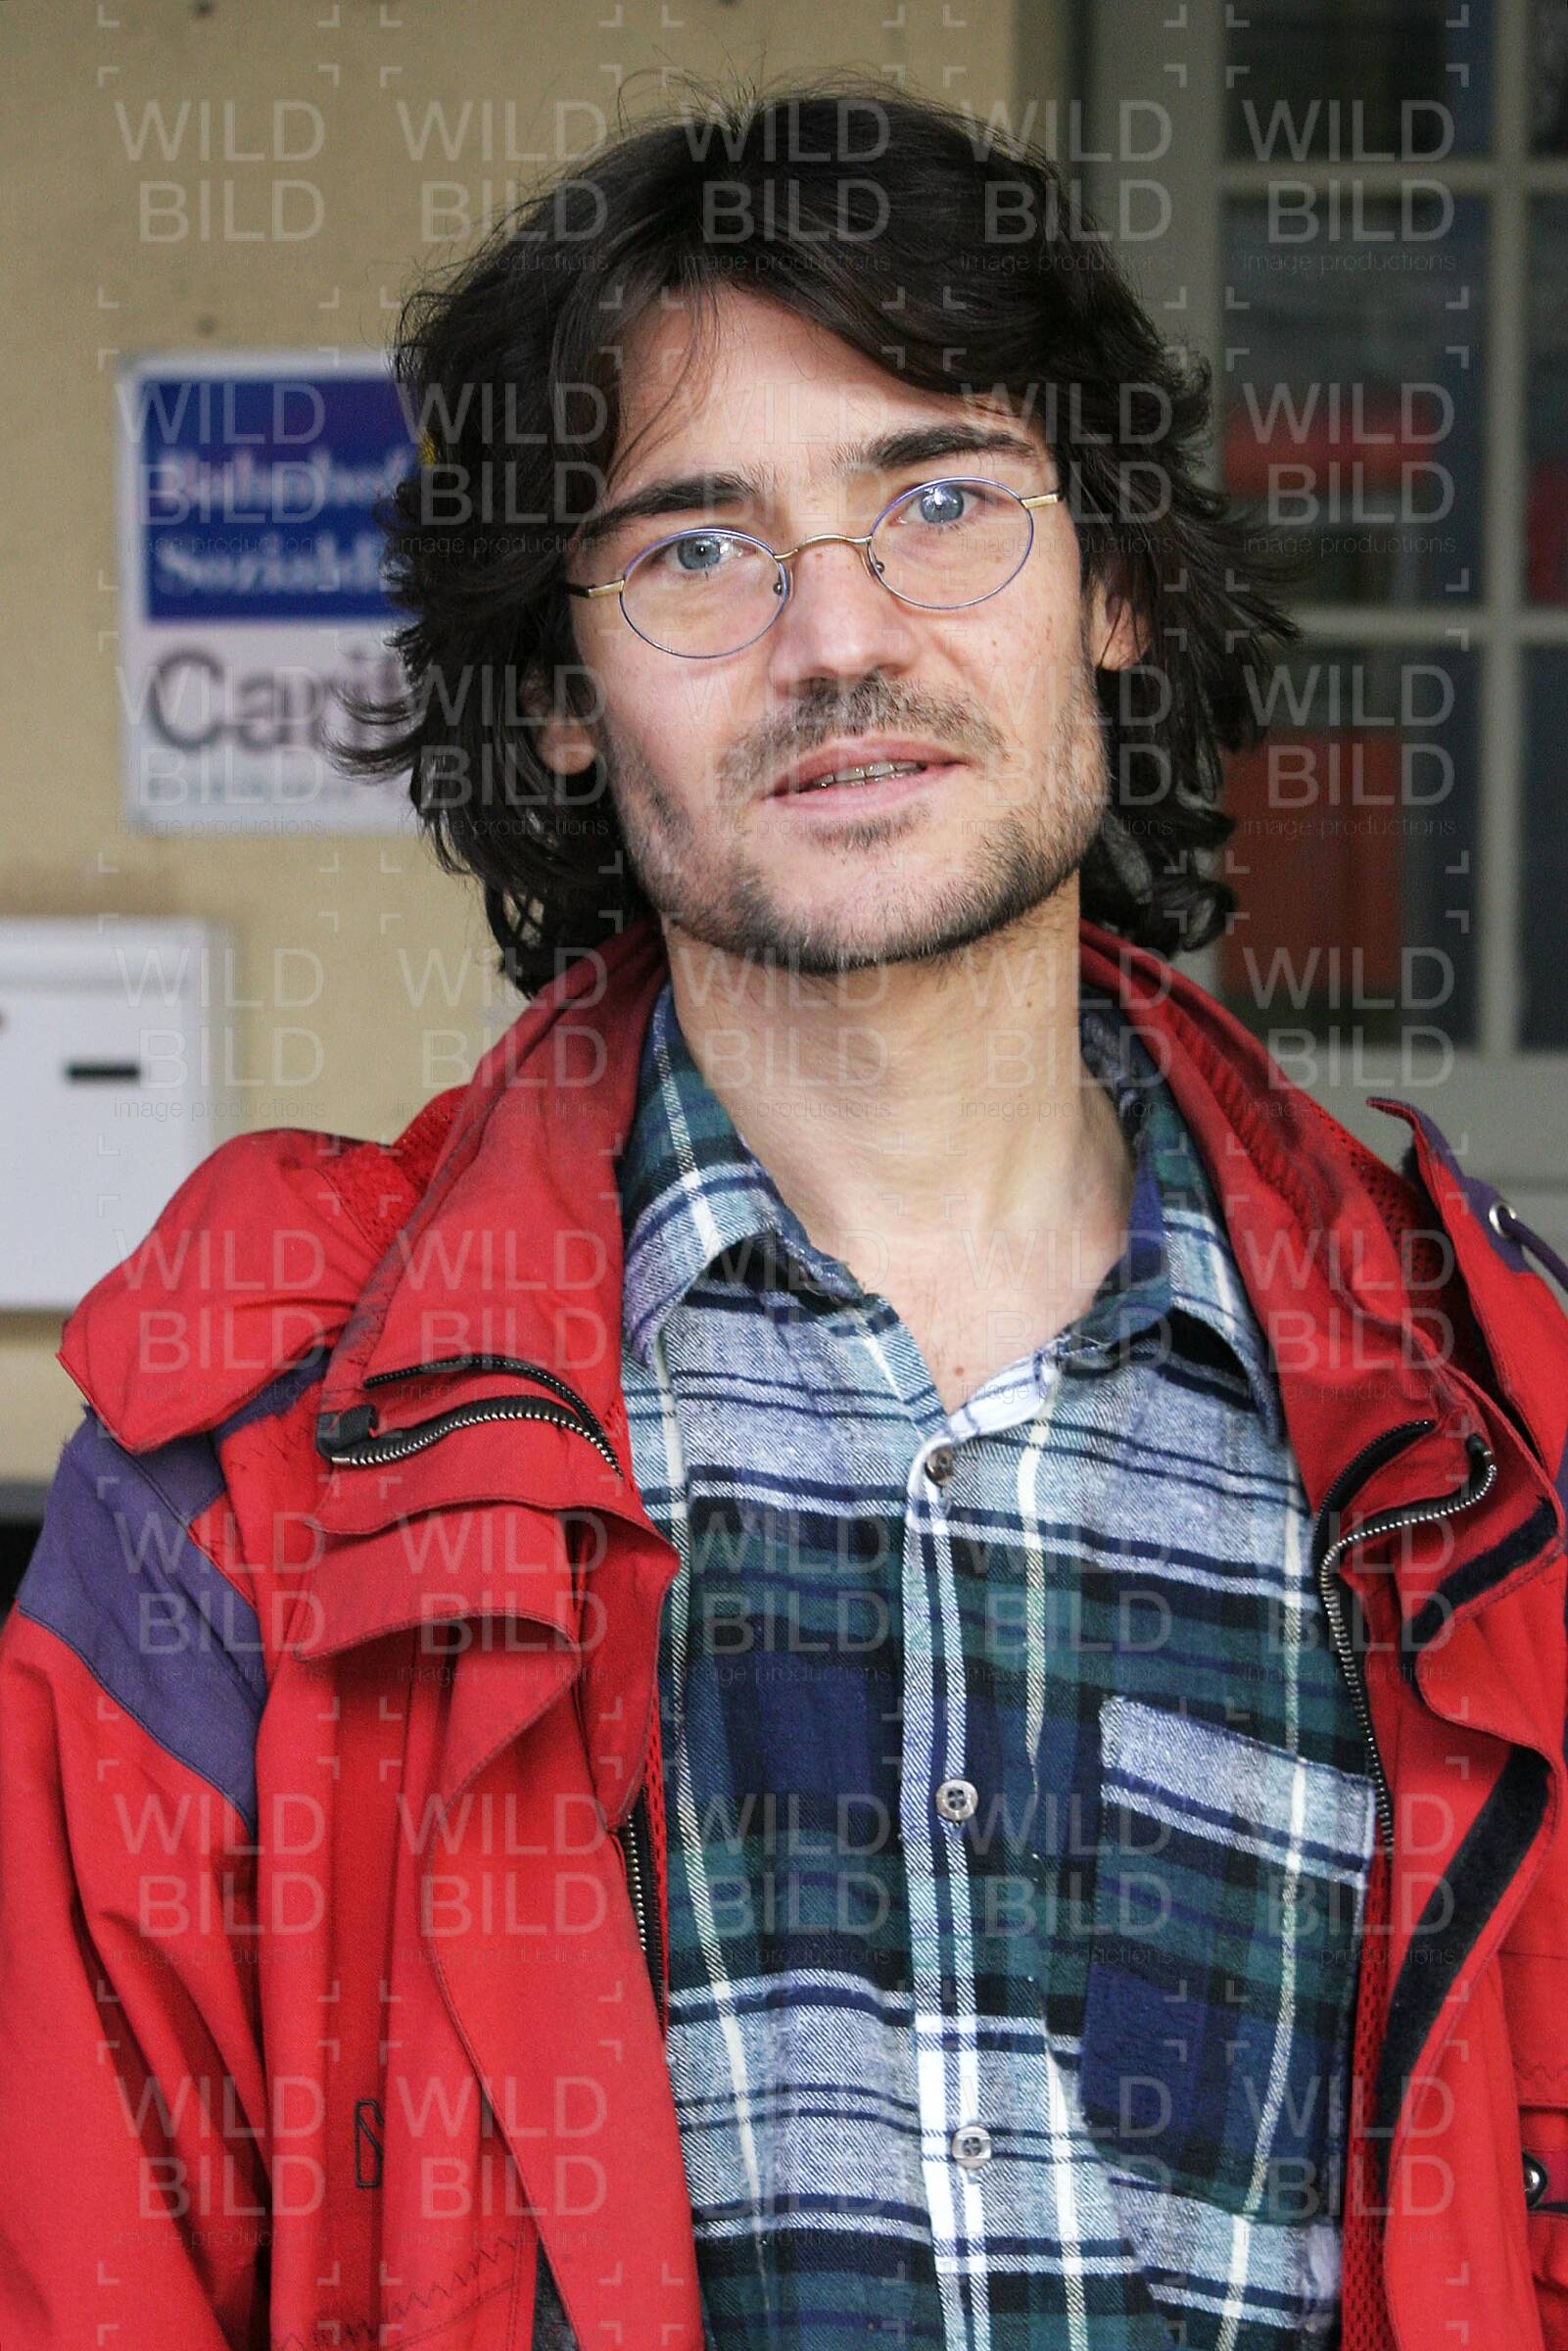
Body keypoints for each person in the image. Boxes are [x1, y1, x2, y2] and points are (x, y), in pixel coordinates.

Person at [3, 75, 1567, 2351]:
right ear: (559, 695)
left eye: (942, 500)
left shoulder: (1493, 1441)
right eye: (697, 550)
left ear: (1119, 587)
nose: (838, 637)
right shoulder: (242, 1485)